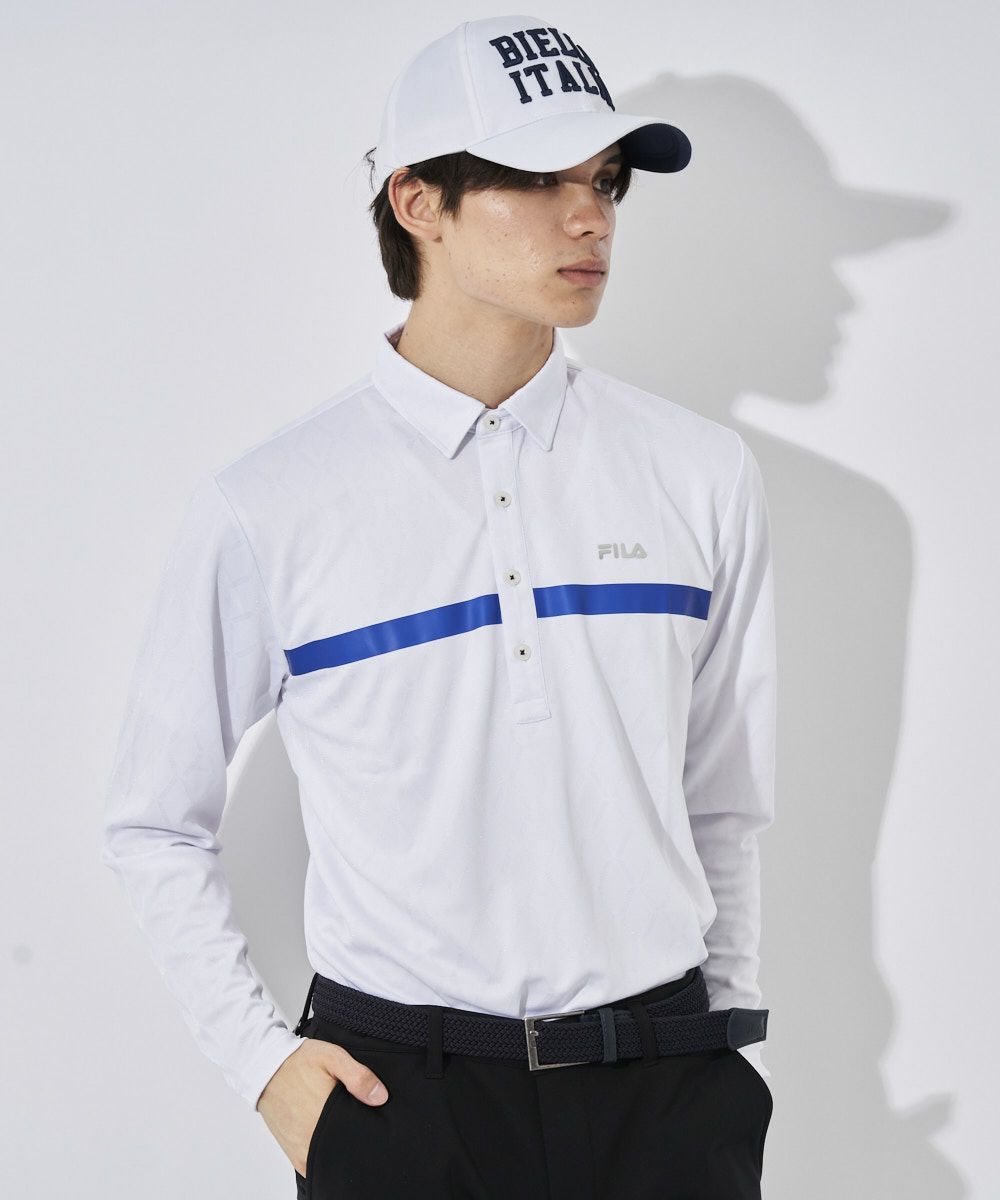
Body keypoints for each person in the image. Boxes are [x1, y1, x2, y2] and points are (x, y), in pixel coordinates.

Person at [101, 14, 777, 1199]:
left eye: (605, 181)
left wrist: (721, 1045)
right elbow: (154, 822)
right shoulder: (272, 504)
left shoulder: (697, 473)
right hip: (399, 1101)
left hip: (665, 1089)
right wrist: (261, 1065)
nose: (591, 217)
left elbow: (722, 797)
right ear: (418, 202)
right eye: (541, 180)